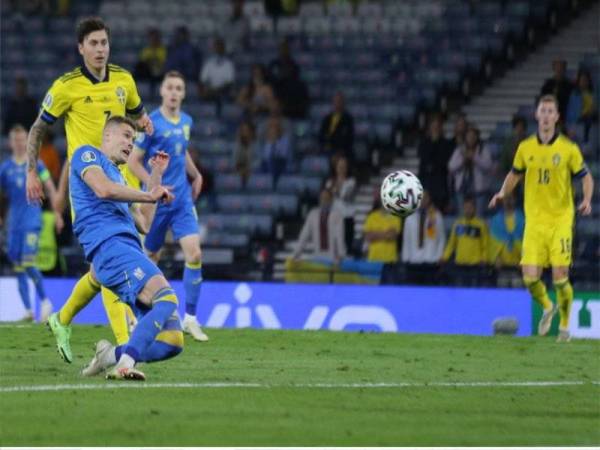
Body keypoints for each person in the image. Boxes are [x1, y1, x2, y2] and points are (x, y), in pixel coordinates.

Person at [26, 16, 154, 348]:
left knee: (107, 266)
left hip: (121, 182)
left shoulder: (124, 80)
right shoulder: (66, 86)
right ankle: (127, 349)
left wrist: (145, 125)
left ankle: (62, 319)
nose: (100, 49)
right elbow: (38, 129)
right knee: (116, 254)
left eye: (104, 43)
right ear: (81, 48)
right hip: (91, 185)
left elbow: (139, 117)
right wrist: (30, 171)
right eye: (93, 44)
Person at [50, 116, 180, 380]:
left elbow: (144, 222)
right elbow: (103, 190)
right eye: (126, 136)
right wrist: (149, 194)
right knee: (167, 297)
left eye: (133, 139)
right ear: (107, 137)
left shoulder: (122, 179)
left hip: (129, 251)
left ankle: (108, 357)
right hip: (109, 247)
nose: (131, 143)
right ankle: (125, 365)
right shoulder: (86, 155)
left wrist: (155, 175)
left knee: (171, 342)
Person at [490, 94, 594, 342]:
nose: (546, 116)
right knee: (529, 278)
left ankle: (565, 328)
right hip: (534, 222)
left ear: (557, 117)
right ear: (536, 115)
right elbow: (514, 175)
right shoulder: (525, 148)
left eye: (550, 111)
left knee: (560, 277)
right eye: (543, 111)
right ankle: (548, 307)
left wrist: (587, 199)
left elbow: (586, 177)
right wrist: (503, 192)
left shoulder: (568, 149)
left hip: (560, 220)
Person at [128, 71, 208, 342]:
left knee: (194, 253)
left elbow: (180, 149)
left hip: (182, 199)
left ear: (183, 94)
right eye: (170, 87)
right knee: (150, 260)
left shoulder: (187, 121)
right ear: (162, 91)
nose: (174, 92)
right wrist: (154, 188)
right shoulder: (151, 123)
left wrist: (195, 174)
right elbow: (133, 162)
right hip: (156, 202)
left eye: (179, 88)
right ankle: (140, 317)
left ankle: (191, 319)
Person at [0, 125, 62, 322]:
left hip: (32, 221)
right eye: (15, 140)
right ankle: (27, 310)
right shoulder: (5, 169)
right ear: (10, 143)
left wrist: (58, 213)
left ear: (27, 141)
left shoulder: (37, 165)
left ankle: (45, 301)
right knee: (18, 266)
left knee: (27, 261)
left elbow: (51, 188)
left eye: (22, 140)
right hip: (14, 224)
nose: (19, 144)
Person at [441, 196, 489, 286]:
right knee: (461, 291)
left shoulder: (480, 225)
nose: (468, 210)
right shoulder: (458, 224)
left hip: (476, 264)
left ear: (474, 209)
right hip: (460, 263)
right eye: (466, 208)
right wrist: (445, 257)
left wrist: (484, 258)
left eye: (470, 208)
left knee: (474, 292)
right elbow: (451, 243)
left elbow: (485, 244)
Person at [401, 191, 446, 285]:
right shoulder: (410, 217)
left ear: (428, 199)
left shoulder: (436, 216)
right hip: (413, 261)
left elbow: (441, 238)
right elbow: (406, 239)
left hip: (431, 260)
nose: (422, 201)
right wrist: (405, 258)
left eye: (424, 198)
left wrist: (439, 256)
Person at [448, 125, 493, 215]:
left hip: (479, 191)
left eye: (473, 136)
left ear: (477, 137)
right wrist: (463, 161)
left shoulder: (483, 150)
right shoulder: (459, 150)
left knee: (479, 217)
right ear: (466, 137)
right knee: (462, 217)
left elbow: (488, 166)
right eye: (469, 136)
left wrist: (474, 158)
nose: (471, 139)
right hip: (462, 189)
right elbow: (451, 167)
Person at [292, 188, 346, 263]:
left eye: (326, 198)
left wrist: (341, 255)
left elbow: (339, 236)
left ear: (331, 200)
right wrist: (296, 254)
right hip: (317, 255)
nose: (324, 201)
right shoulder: (313, 214)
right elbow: (304, 235)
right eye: (322, 198)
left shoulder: (337, 215)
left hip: (333, 256)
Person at [417, 113, 453, 213]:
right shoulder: (423, 142)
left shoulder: (446, 143)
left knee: (437, 214)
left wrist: (436, 142)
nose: (435, 128)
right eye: (433, 126)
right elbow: (423, 158)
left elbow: (443, 161)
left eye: (437, 126)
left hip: (440, 185)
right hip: (425, 182)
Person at [324, 156, 356, 256]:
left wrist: (335, 189)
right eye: (340, 166)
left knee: (347, 246)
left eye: (344, 166)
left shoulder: (351, 182)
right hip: (334, 217)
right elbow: (327, 197)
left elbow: (345, 196)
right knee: (334, 245)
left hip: (347, 217)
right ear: (336, 167)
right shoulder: (329, 182)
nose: (342, 169)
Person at [198, 37, 235, 115]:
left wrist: (217, 90)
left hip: (223, 91)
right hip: (210, 90)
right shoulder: (208, 63)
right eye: (216, 47)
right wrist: (208, 89)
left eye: (220, 47)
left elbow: (229, 82)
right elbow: (203, 80)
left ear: (223, 49)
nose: (218, 49)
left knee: (222, 95)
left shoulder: (229, 64)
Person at [363, 194, 402, 265]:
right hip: (373, 259)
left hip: (390, 260)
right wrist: (386, 233)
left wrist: (375, 234)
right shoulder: (371, 217)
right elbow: (368, 237)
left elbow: (392, 237)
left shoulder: (396, 217)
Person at [489, 193, 524, 271]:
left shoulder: (523, 220)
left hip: (518, 266)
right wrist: (496, 258)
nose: (508, 201)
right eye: (506, 198)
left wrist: (523, 260)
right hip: (501, 265)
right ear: (502, 201)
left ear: (514, 200)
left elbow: (526, 241)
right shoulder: (495, 221)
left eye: (510, 198)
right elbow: (493, 242)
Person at [318, 91, 355, 160]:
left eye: (340, 101)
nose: (338, 103)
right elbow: (321, 135)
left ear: (343, 103)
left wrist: (340, 151)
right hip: (328, 151)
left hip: (342, 152)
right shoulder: (327, 118)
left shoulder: (348, 119)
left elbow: (349, 138)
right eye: (336, 101)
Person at [260, 115, 293, 185]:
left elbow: (283, 156)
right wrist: (271, 142)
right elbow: (263, 157)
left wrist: (274, 142)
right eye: (271, 126)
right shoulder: (264, 141)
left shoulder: (285, 140)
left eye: (275, 126)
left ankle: (273, 183)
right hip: (266, 166)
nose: (273, 128)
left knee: (274, 161)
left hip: (281, 165)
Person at [566, 69, 596, 142]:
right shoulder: (574, 94)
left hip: (590, 116)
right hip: (579, 118)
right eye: (582, 80)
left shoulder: (593, 94)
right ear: (579, 81)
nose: (584, 82)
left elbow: (594, 107)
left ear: (589, 81)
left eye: (586, 80)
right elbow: (571, 111)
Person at [233, 120, 260, 185]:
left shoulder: (257, 144)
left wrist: (248, 168)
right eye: (243, 130)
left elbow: (259, 161)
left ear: (252, 131)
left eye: (247, 130)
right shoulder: (238, 145)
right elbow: (234, 160)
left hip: (254, 173)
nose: (245, 132)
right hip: (239, 172)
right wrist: (240, 169)